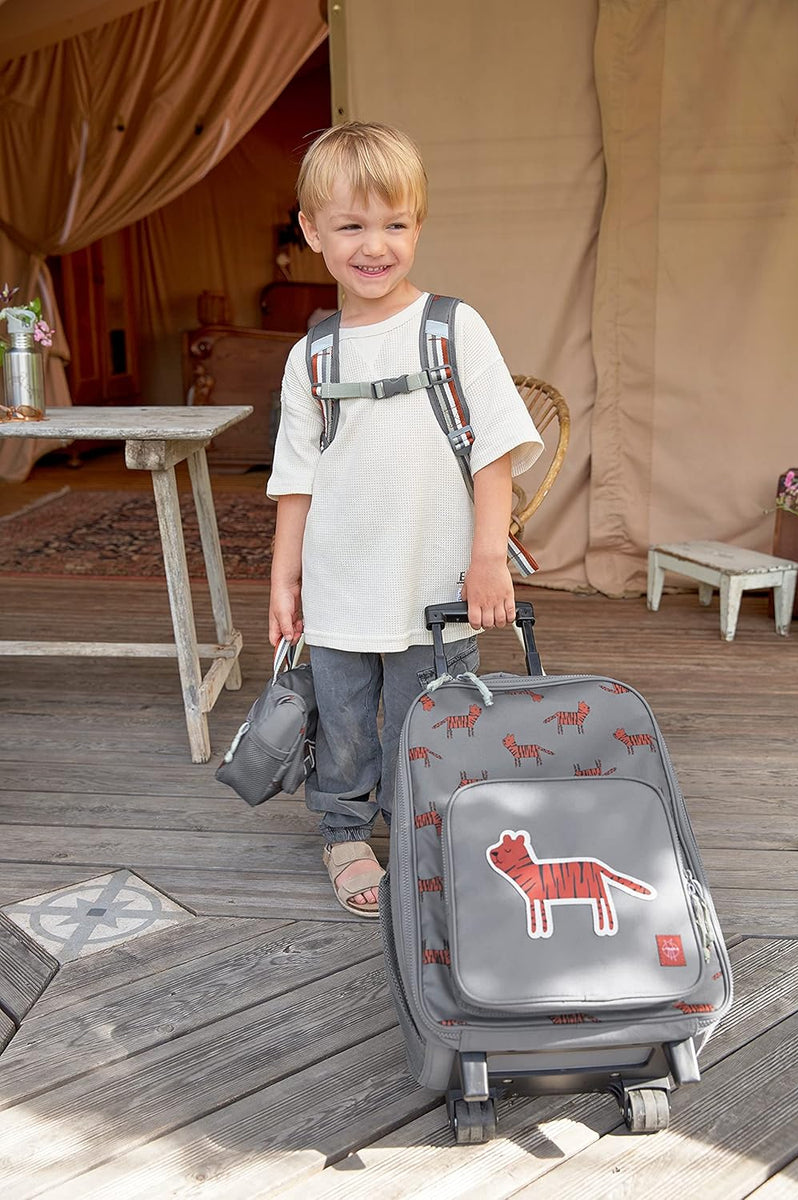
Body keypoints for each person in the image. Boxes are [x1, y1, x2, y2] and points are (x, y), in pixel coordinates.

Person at [267, 122, 543, 917]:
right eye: (351, 226)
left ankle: (434, 829)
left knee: (436, 712)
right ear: (313, 232)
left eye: (394, 224)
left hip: (434, 574)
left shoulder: (454, 329)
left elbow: (495, 449)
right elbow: (297, 476)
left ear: (418, 226)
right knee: (345, 715)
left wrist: (487, 556)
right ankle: (345, 829)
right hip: (339, 572)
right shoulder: (313, 357)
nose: (374, 245)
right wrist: (285, 576)